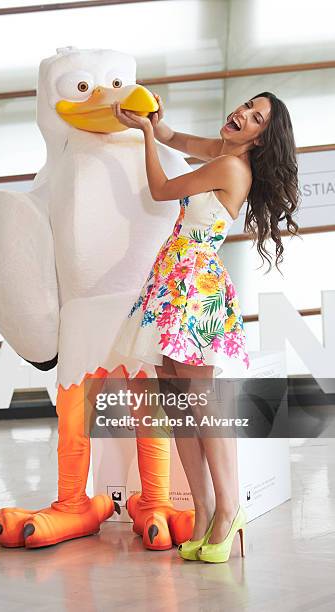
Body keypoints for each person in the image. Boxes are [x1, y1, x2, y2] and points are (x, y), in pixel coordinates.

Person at [111, 91, 299, 563]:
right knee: (177, 403)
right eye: (245, 107)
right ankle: (204, 508)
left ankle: (229, 509)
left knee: (200, 405)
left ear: (261, 139)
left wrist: (145, 135)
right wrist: (157, 123)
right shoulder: (222, 153)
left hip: (195, 288)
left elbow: (159, 188)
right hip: (174, 281)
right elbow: (178, 137)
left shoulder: (230, 168)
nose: (242, 116)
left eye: (256, 119)